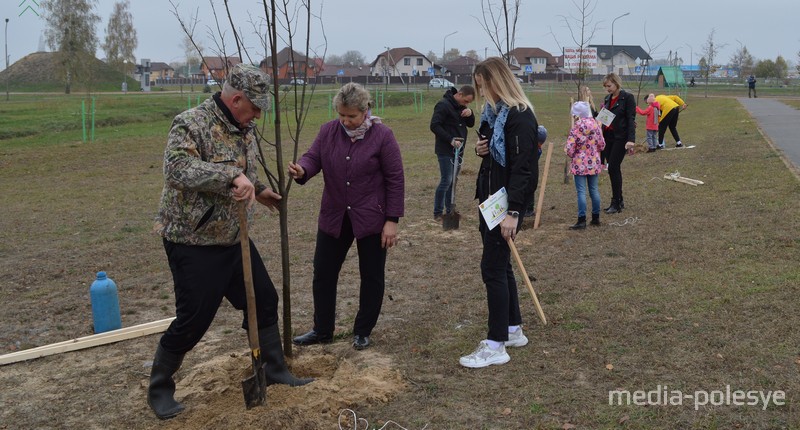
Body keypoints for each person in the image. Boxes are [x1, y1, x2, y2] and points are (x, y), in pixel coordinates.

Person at [149, 64, 312, 420]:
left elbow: (244, 173)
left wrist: (261, 189)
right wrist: (230, 177)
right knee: (193, 318)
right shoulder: (192, 123)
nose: (257, 115)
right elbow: (177, 170)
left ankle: (274, 370)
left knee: (265, 300)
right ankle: (160, 388)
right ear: (236, 99)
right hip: (193, 240)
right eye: (254, 107)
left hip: (234, 238)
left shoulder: (243, 128)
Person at [289, 82, 405, 351]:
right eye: (341, 115)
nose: (346, 121)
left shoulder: (383, 136)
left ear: (365, 111)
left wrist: (392, 220)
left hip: (371, 218)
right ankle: (322, 329)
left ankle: (362, 330)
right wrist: (302, 170)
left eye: (351, 116)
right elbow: (312, 158)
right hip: (334, 215)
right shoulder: (328, 131)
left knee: (372, 275)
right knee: (323, 273)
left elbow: (395, 179)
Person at [460, 57, 538, 369]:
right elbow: (493, 153)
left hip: (505, 204)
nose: (481, 92)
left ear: (498, 82)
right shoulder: (495, 115)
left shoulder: (519, 117)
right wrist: (482, 150)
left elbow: (523, 170)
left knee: (492, 268)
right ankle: (512, 329)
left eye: (484, 85)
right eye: (478, 86)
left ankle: (495, 345)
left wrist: (514, 213)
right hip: (490, 199)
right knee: (502, 265)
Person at [429, 85, 476, 221]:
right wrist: (450, 139)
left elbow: (471, 124)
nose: (466, 104)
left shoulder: (462, 107)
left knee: (453, 181)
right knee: (446, 180)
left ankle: (450, 210)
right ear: (459, 95)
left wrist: (470, 113)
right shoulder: (443, 105)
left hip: (458, 150)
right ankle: (437, 212)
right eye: (466, 101)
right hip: (445, 150)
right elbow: (434, 125)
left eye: (469, 103)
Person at [598, 73, 636, 214]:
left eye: (609, 86)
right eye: (605, 86)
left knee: (613, 167)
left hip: (621, 138)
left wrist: (631, 139)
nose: (607, 89)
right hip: (608, 138)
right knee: (613, 169)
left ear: (616, 83)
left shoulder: (627, 98)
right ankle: (619, 200)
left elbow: (631, 119)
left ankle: (616, 202)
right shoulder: (607, 99)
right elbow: (603, 119)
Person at [566, 101, 606, 229]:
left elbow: (570, 148)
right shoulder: (596, 125)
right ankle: (595, 217)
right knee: (594, 190)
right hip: (594, 163)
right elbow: (602, 144)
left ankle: (582, 220)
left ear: (577, 114)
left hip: (579, 164)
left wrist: (572, 154)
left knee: (581, 192)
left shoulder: (576, 127)